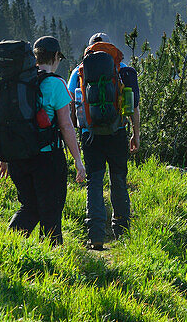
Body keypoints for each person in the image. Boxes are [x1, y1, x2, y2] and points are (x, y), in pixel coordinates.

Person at [0, 36, 86, 245]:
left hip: (18, 157)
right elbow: (65, 125)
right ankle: (52, 260)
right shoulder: (55, 84)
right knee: (51, 211)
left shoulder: (17, 82)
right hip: (48, 158)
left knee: (29, 207)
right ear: (55, 57)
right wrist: (77, 159)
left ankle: (8, 247)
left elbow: (7, 119)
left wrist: (5, 156)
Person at [68, 32, 140, 249]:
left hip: (90, 135)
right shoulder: (125, 70)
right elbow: (133, 106)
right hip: (117, 132)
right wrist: (136, 134)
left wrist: (74, 138)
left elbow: (72, 106)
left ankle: (96, 236)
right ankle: (122, 233)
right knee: (118, 180)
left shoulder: (78, 71)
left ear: (90, 48)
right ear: (110, 47)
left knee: (94, 183)